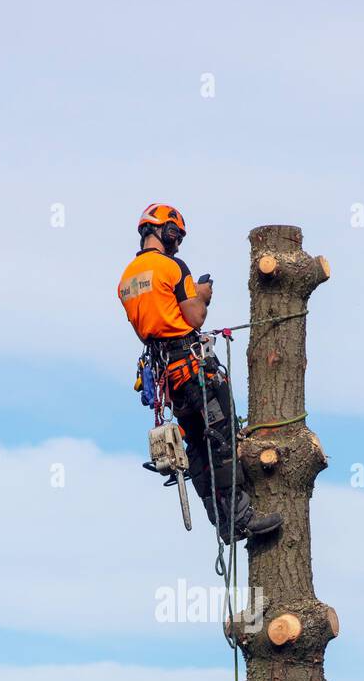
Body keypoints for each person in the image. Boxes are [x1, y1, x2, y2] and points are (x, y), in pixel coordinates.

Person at [117, 203, 282, 541]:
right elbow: (194, 318)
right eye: (175, 236)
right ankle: (240, 517)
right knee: (220, 439)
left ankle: (220, 520)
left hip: (170, 380)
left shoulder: (127, 279)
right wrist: (201, 295)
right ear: (167, 231)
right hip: (192, 369)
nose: (177, 244)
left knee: (197, 446)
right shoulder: (172, 267)